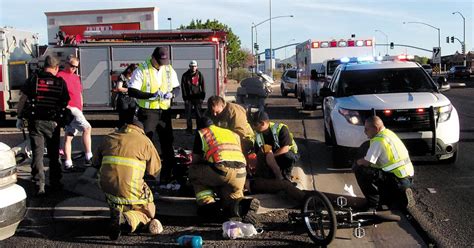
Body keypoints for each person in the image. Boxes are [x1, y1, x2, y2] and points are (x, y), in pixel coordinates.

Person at [93, 119, 163, 240]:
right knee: (148, 212)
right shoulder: (145, 141)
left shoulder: (109, 137)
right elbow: (155, 171)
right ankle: (125, 220)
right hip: (129, 190)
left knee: (118, 194)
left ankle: (117, 210)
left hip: (108, 189)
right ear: (141, 130)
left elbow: (95, 163)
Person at [188, 117, 260, 224]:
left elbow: (196, 160)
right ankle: (240, 206)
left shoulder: (203, 133)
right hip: (240, 173)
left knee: (194, 171)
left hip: (220, 170)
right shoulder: (231, 133)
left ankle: (208, 204)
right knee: (230, 197)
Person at [16, 55, 70, 195]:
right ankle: (56, 183)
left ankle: (39, 185)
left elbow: (23, 99)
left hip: (36, 122)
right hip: (53, 122)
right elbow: (65, 103)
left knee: (38, 154)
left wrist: (19, 116)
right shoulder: (60, 82)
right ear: (56, 68)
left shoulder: (34, 79)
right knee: (54, 155)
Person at [127, 46, 181, 184]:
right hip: (148, 112)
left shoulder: (168, 69)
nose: (162, 65)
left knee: (167, 142)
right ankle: (144, 174)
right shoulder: (142, 69)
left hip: (164, 111)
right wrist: (151, 96)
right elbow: (132, 91)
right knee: (146, 142)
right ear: (153, 58)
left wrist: (173, 94)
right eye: (160, 62)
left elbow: (176, 87)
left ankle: (168, 174)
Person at [353, 116, 415, 210]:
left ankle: (373, 205)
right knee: (377, 172)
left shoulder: (378, 141)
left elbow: (367, 162)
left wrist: (357, 162)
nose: (364, 131)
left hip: (396, 180)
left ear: (376, 128)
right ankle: (398, 195)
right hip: (407, 177)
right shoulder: (389, 134)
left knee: (361, 170)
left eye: (366, 129)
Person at [247, 111, 305, 202]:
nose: (253, 127)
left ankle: (285, 178)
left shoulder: (281, 128)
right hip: (273, 157)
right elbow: (258, 151)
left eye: (255, 124)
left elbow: (285, 149)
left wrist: (271, 156)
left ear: (262, 123)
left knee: (284, 156)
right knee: (265, 156)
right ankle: (272, 178)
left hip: (289, 155)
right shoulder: (258, 134)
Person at [57, 55, 93, 170]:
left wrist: (81, 106)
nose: (74, 68)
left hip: (77, 109)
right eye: (72, 66)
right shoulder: (60, 76)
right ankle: (89, 157)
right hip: (70, 110)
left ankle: (68, 163)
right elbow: (57, 94)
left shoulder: (76, 77)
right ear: (66, 63)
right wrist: (68, 107)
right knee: (87, 128)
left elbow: (79, 93)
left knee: (69, 136)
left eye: (76, 67)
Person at [181, 60, 205, 134]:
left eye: (194, 66)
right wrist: (185, 98)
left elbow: (203, 86)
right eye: (192, 66)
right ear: (189, 67)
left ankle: (199, 130)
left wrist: (202, 98)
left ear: (197, 67)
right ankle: (189, 130)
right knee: (188, 115)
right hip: (188, 99)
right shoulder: (185, 75)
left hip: (197, 98)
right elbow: (183, 87)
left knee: (198, 115)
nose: (193, 68)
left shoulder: (199, 75)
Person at [114, 64, 138, 128]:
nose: (135, 74)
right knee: (123, 117)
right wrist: (129, 90)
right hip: (123, 99)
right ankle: (120, 131)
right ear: (129, 70)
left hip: (132, 99)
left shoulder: (135, 78)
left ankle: (129, 133)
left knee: (131, 118)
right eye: (134, 72)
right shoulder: (122, 77)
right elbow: (119, 88)